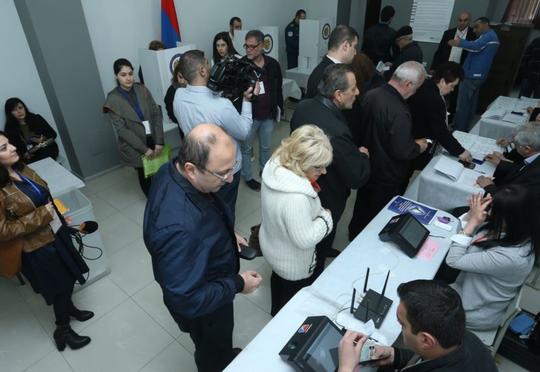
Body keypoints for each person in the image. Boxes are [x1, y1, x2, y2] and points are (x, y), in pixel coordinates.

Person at [143, 124, 262, 372]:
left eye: (232, 168)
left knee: (221, 344)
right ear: (191, 169)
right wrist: (239, 284)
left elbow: (206, 212)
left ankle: (224, 355)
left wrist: (226, 233)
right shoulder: (179, 229)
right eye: (223, 173)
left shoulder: (171, 169)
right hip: (205, 307)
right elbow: (187, 299)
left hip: (208, 276)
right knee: (212, 350)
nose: (230, 179)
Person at [0, 132, 93, 351]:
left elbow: (45, 197)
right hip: (36, 248)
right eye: (4, 148)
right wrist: (44, 215)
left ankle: (70, 309)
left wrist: (59, 215)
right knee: (59, 286)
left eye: (9, 142)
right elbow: (3, 230)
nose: (13, 147)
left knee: (69, 276)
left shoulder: (22, 168)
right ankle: (62, 330)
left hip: (55, 233)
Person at [291, 64, 370, 279]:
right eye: (353, 88)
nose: (357, 92)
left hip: (303, 188)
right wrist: (362, 155)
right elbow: (357, 177)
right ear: (338, 94)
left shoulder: (304, 106)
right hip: (326, 197)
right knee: (318, 246)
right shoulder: (336, 130)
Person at [348, 61, 428, 239]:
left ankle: (354, 236)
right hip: (386, 173)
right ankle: (367, 244)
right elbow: (402, 150)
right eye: (417, 88)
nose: (416, 93)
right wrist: (418, 146)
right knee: (378, 215)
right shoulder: (399, 110)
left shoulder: (371, 94)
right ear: (408, 84)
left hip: (367, 164)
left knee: (361, 208)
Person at [260, 125, 333, 316]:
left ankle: (275, 314)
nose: (324, 171)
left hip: (273, 246)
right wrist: (326, 218)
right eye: (317, 167)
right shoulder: (296, 199)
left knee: (278, 284)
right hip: (293, 263)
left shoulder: (275, 165)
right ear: (300, 162)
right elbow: (305, 239)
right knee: (291, 304)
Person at [349, 280, 498, 372]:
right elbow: (429, 359)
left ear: (426, 340)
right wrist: (395, 355)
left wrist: (346, 369)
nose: (400, 329)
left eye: (402, 325)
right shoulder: (467, 339)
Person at [173, 50, 256, 212]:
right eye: (207, 63)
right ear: (202, 71)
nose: (210, 67)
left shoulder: (178, 95)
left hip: (198, 167)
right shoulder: (221, 106)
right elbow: (244, 131)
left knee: (206, 208)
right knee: (225, 211)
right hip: (223, 171)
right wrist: (246, 100)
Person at [446, 187, 537, 330]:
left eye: (493, 209)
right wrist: (471, 214)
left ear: (510, 217)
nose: (488, 212)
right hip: (465, 286)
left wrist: (473, 222)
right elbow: (464, 235)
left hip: (470, 310)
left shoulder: (512, 257)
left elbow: (454, 260)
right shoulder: (513, 229)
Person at [103, 58, 164, 197]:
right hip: (135, 144)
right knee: (145, 175)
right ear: (116, 76)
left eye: (130, 74)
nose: (128, 78)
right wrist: (145, 149)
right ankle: (153, 201)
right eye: (123, 75)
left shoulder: (142, 89)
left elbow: (156, 113)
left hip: (152, 137)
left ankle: (163, 195)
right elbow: (122, 130)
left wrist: (159, 141)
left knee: (160, 170)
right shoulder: (112, 99)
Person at [408, 61, 472, 173]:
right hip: (416, 141)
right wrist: (460, 151)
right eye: (452, 86)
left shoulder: (426, 84)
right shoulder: (434, 99)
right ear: (442, 81)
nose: (452, 90)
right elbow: (440, 130)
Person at [240, 30, 283, 191]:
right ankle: (248, 177)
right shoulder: (242, 66)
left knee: (266, 146)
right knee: (246, 148)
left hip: (268, 115)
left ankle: (265, 170)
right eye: (246, 46)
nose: (249, 50)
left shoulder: (273, 64)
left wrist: (280, 108)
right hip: (249, 117)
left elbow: (278, 88)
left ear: (262, 46)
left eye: (253, 46)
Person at [451, 17, 500, 132]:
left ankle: (458, 129)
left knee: (463, 105)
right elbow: (476, 45)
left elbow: (475, 47)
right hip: (477, 75)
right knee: (470, 104)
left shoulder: (489, 36)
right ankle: (464, 128)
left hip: (472, 75)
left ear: (485, 24)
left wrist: (459, 42)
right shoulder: (490, 36)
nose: (474, 30)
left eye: (477, 27)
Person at [477, 123, 540, 207]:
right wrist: (501, 162)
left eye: (516, 145)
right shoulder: (535, 158)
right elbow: (522, 169)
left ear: (527, 149)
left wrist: (489, 187)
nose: (514, 147)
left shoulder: (535, 175)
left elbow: (512, 200)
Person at [431, 11, 474, 121]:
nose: (462, 23)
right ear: (457, 20)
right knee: (440, 90)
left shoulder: (472, 35)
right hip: (446, 66)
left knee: (455, 94)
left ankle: (451, 117)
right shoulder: (448, 33)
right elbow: (439, 51)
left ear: (469, 21)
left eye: (465, 20)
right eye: (460, 20)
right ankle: (436, 112)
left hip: (460, 68)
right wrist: (433, 67)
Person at [305, 25, 359, 98]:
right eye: (354, 47)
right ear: (345, 46)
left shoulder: (322, 69)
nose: (355, 52)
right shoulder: (330, 76)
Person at [4, 98, 59, 164]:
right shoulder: (10, 129)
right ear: (10, 113)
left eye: (20, 107)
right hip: (30, 156)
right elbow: (15, 148)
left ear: (24, 108)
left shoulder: (36, 118)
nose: (19, 111)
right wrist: (25, 154)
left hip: (46, 149)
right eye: (14, 110)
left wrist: (43, 140)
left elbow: (53, 134)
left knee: (44, 152)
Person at [163, 59, 187, 138]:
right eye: (180, 76)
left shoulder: (193, 86)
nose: (183, 80)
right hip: (184, 130)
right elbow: (171, 113)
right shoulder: (172, 91)